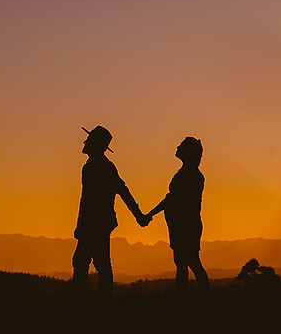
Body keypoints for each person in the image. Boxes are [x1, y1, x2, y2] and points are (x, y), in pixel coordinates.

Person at [73, 125, 150, 296]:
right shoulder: (93, 166)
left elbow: (122, 191)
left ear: (95, 144)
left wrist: (138, 215)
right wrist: (139, 216)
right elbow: (87, 200)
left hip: (97, 224)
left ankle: (92, 303)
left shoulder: (102, 167)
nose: (85, 141)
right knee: (91, 262)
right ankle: (98, 302)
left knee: (89, 263)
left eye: (89, 139)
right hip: (95, 223)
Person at [145, 137, 210, 295]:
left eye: (181, 146)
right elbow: (171, 200)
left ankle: (198, 298)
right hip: (182, 225)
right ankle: (188, 299)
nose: (177, 147)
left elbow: (170, 200)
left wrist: (148, 215)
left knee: (190, 263)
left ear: (187, 152)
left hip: (186, 226)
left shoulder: (190, 175)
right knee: (184, 263)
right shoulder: (189, 174)